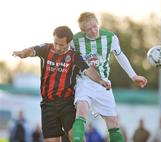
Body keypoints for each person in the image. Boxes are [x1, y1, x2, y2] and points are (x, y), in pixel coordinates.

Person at [12, 26, 111, 142]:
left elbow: (88, 70)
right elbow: (32, 50)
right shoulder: (46, 49)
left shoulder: (75, 56)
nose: (58, 47)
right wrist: (24, 53)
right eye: (56, 43)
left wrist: (100, 80)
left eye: (61, 44)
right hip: (47, 104)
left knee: (76, 137)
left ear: (69, 42)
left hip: (66, 103)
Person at [71, 12, 148, 142]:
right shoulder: (75, 40)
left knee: (113, 122)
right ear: (83, 30)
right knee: (81, 111)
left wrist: (134, 76)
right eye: (89, 29)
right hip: (84, 81)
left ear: (97, 23)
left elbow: (120, 56)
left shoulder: (110, 37)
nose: (93, 30)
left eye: (95, 26)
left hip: (104, 84)